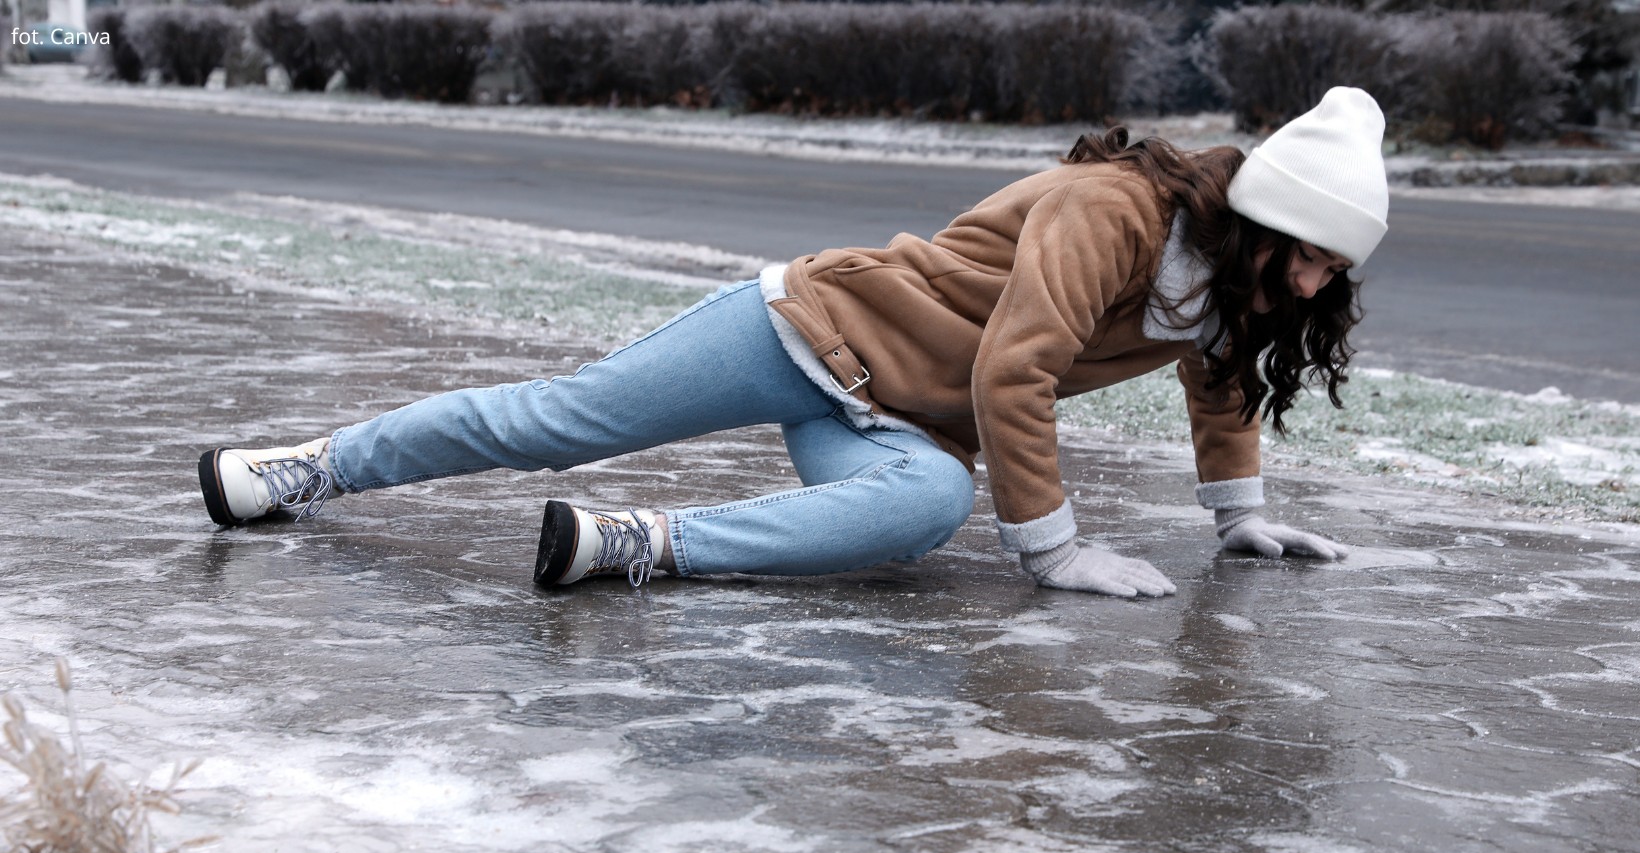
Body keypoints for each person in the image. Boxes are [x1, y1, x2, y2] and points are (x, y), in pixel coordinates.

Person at [198, 87, 1387, 598]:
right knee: (555, 423)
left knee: (920, 512)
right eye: (1310, 254)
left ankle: (633, 545)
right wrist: (1055, 552)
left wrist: (1237, 517)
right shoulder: (1114, 211)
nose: (1317, 281)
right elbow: (1015, 367)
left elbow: (1221, 375)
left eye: (1336, 267)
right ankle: (304, 468)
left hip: (895, 419)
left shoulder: (1233, 285)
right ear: (1256, 220)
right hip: (805, 328)